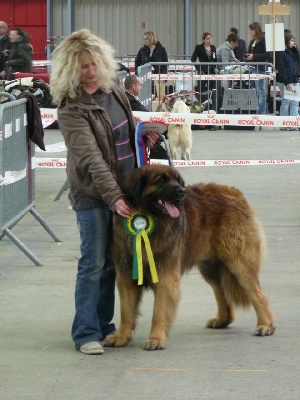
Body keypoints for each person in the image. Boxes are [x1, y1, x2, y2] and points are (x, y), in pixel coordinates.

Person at [50, 29, 159, 355]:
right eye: (83, 65)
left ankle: (105, 325)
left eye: (95, 62)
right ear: (72, 68)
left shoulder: (115, 91)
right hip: (94, 195)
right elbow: (93, 161)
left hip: (124, 192)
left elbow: (127, 132)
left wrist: (146, 137)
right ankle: (84, 333)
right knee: (93, 263)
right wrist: (114, 198)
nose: (91, 70)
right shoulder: (71, 109)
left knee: (112, 264)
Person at [124, 74, 169, 160]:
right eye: (140, 85)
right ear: (134, 86)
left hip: (140, 136)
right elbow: (148, 117)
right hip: (141, 140)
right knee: (164, 158)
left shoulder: (127, 98)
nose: (141, 88)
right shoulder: (131, 101)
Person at [191, 32, 219, 128]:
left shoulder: (214, 48)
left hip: (211, 73)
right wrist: (199, 69)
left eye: (210, 38)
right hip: (202, 72)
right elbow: (193, 59)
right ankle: (200, 110)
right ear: (203, 40)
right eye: (207, 38)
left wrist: (216, 68)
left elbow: (215, 60)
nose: (209, 40)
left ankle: (212, 110)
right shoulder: (199, 48)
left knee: (213, 91)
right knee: (201, 91)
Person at [275, 33, 300, 130]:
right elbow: (281, 67)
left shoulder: (293, 52)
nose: (293, 42)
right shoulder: (281, 52)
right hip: (286, 81)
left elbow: (298, 62)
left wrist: (296, 50)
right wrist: (286, 82)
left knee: (295, 101)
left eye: (294, 40)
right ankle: (284, 124)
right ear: (286, 41)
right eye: (291, 40)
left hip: (294, 79)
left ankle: (293, 124)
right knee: (286, 101)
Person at [135, 31, 168, 102]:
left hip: (158, 77)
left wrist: (164, 77)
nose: (144, 40)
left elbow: (165, 64)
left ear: (151, 39)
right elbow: (137, 62)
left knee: (159, 98)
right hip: (145, 77)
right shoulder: (142, 50)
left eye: (146, 39)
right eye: (144, 39)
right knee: (145, 98)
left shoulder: (161, 49)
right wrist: (137, 73)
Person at [244, 22, 269, 115]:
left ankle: (261, 112)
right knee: (254, 91)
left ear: (256, 30)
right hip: (251, 67)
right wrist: (247, 57)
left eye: (251, 30)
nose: (250, 32)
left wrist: (253, 56)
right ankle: (255, 111)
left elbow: (267, 55)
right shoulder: (252, 42)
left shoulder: (263, 40)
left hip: (260, 68)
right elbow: (249, 52)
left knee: (260, 91)